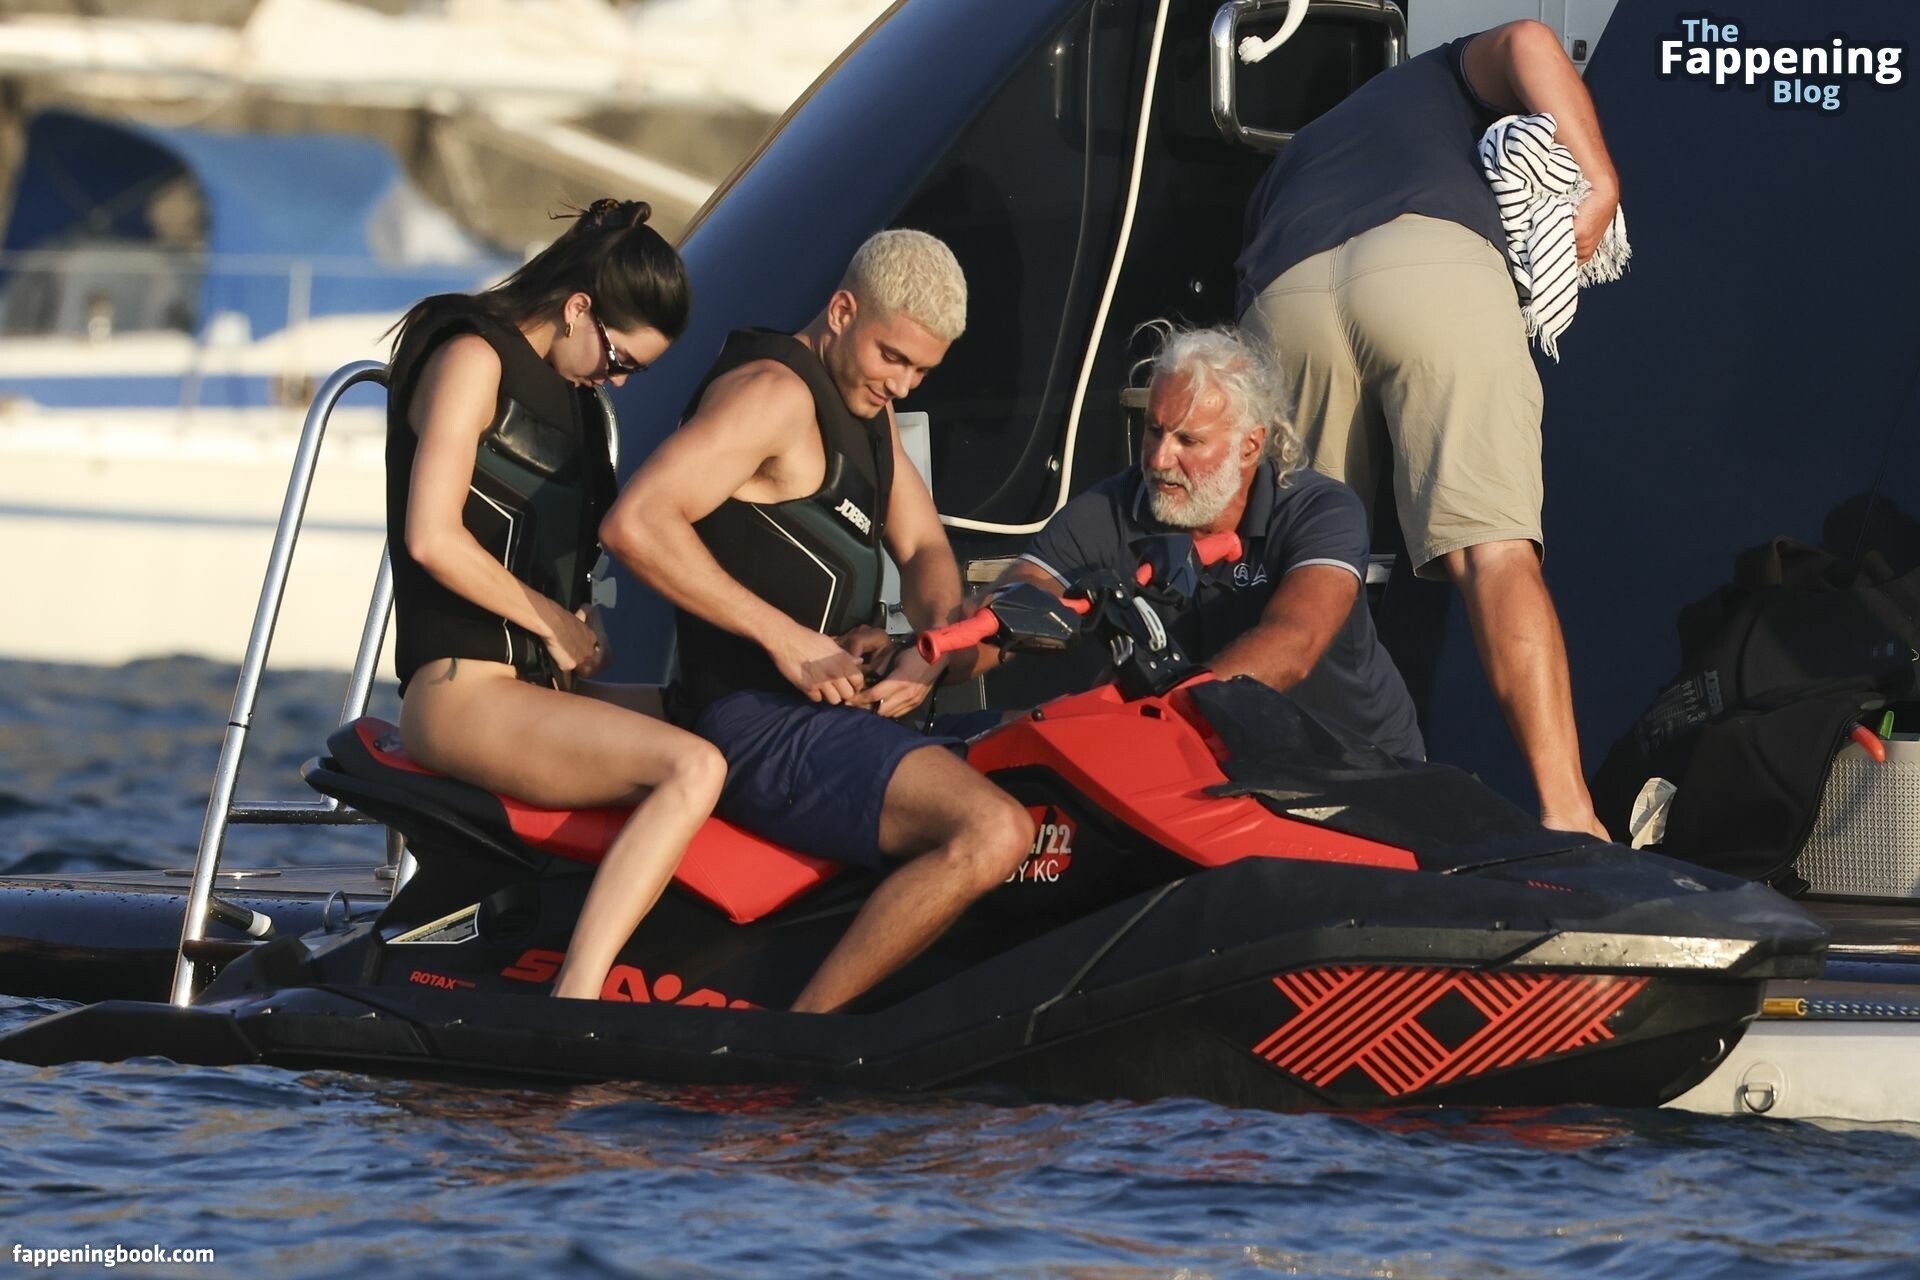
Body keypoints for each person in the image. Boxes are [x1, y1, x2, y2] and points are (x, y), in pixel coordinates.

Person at [601, 229, 1034, 1015]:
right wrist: (787, 638)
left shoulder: (864, 406)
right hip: (750, 719)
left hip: (827, 709)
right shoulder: (773, 394)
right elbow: (636, 523)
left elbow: (925, 547)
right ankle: (800, 1044)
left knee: (1041, 765)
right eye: (892, 358)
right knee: (994, 830)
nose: (902, 384)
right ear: (841, 312)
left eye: (921, 372)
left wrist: (931, 647)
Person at [1235, 20, 1617, 838]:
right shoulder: (1442, 73)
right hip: (1425, 260)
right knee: (1493, 554)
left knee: (1315, 570)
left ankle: (1316, 818)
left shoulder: (1297, 156)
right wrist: (1599, 179)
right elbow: (1530, 41)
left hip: (1285, 296)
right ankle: (1568, 812)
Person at [386, 198, 725, 1001]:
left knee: (720, 723)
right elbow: (432, 536)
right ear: (577, 308)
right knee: (692, 767)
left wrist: (582, 618)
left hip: (537, 691)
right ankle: (576, 995)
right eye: (619, 356)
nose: (619, 378)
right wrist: (551, 623)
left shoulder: (576, 404)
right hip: (461, 695)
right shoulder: (471, 357)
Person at [978, 323, 1424, 761]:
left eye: (1187, 440)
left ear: (1250, 447)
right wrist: (950, 652)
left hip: (1359, 765)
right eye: (1154, 430)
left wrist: (1143, 718)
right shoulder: (1112, 506)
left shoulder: (1321, 509)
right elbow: (1018, 594)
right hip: (1205, 760)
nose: (1159, 459)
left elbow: (1293, 642)